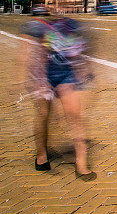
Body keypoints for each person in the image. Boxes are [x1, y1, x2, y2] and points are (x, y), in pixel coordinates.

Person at [19, 15, 96, 181]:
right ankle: (41, 156)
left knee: (75, 115)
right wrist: (19, 76)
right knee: (43, 115)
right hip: (41, 75)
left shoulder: (72, 24)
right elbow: (24, 49)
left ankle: (81, 163)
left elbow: (85, 48)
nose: (56, 7)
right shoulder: (37, 25)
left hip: (66, 74)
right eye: (52, 2)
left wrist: (87, 72)